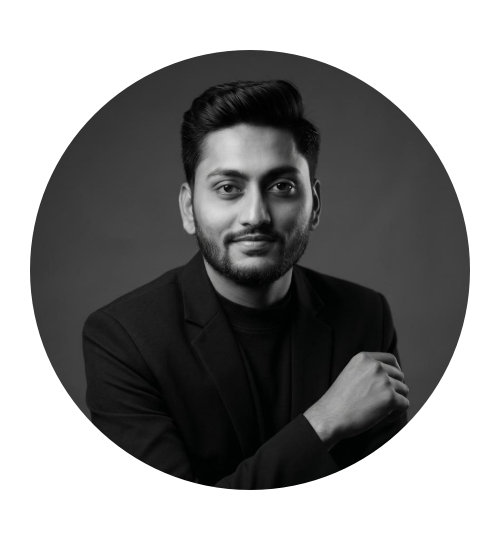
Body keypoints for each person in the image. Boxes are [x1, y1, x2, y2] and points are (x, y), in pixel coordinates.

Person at [83, 80, 409, 489]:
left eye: (281, 186)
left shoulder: (366, 315)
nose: (255, 215)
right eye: (228, 188)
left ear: (315, 206)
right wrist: (324, 422)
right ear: (189, 208)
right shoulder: (123, 339)